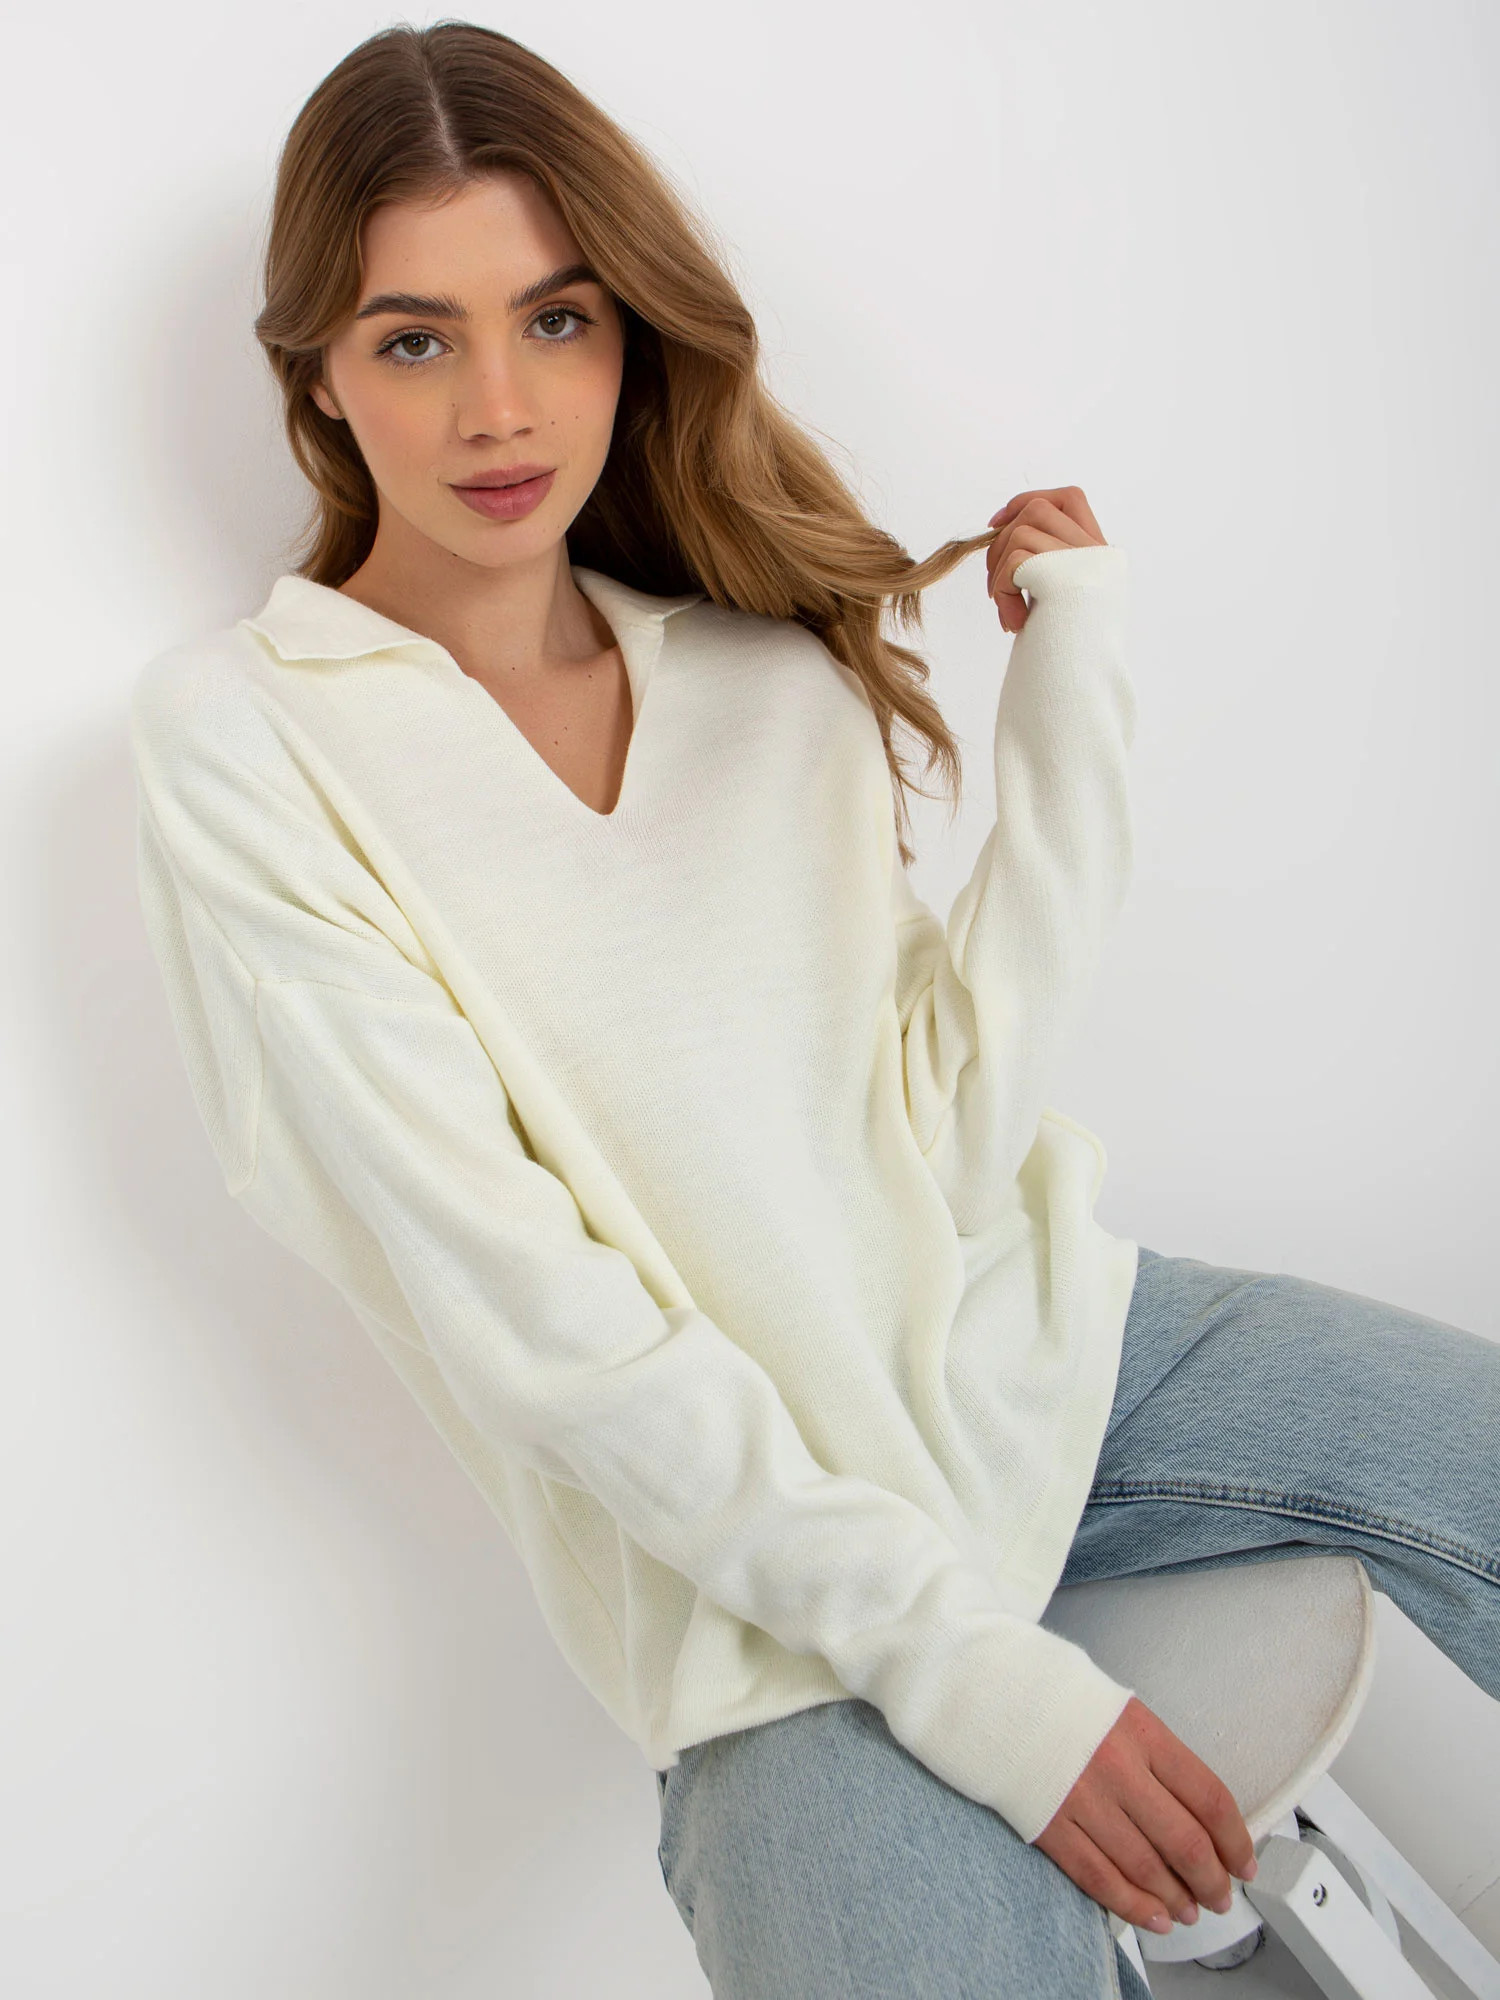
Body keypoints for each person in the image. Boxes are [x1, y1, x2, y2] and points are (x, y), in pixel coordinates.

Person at [128, 21, 1500, 1998]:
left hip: (1050, 1362)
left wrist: (1074, 689)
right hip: (750, 1600)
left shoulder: (762, 685)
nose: (500, 408)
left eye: (557, 320)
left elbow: (946, 1130)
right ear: (318, 376)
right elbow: (542, 1329)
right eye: (415, 338)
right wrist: (979, 1681)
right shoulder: (249, 743)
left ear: (630, 334)